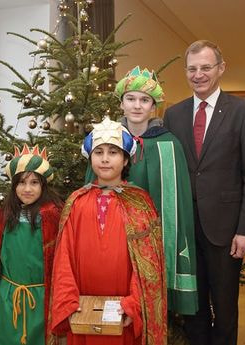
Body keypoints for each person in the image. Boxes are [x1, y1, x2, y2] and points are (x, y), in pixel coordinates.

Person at [86, 66, 197, 342]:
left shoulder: (169, 144)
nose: (137, 105)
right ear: (121, 102)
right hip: (113, 243)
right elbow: (91, 191)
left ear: (154, 106)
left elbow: (178, 205)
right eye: (131, 98)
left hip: (154, 244)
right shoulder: (105, 143)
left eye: (144, 100)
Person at [163, 40, 245, 345]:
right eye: (192, 68)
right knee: (193, 309)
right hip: (186, 230)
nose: (198, 74)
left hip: (225, 229)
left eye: (206, 67)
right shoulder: (173, 114)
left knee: (225, 306)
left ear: (221, 68)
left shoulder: (243, 110)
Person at [51, 117, 167, 345]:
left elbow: (148, 265)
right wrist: (68, 300)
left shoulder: (140, 203)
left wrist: (133, 304)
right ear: (90, 157)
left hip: (122, 312)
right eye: (99, 152)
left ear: (125, 160)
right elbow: (63, 258)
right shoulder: (76, 202)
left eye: (113, 152)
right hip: (81, 308)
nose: (105, 159)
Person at [0, 144, 62, 345]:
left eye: (34, 183)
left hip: (40, 299)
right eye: (21, 182)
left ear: (43, 186)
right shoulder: (3, 216)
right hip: (7, 298)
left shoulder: (53, 216)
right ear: (14, 187)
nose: (27, 189)